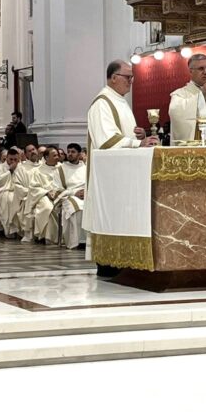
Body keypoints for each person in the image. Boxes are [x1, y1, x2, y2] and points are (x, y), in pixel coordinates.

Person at [83, 59, 159, 263]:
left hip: (123, 175)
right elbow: (106, 140)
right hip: (109, 179)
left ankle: (125, 262)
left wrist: (139, 136)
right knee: (111, 218)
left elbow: (122, 135)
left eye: (132, 77)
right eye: (128, 77)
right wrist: (138, 144)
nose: (131, 81)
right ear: (114, 78)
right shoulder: (102, 103)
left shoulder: (120, 101)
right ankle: (108, 264)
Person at [23, 146, 66, 245]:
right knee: (48, 208)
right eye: (54, 155)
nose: (57, 157)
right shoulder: (38, 171)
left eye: (57, 155)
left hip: (60, 194)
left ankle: (63, 237)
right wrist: (46, 192)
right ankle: (49, 237)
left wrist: (59, 192)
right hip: (44, 195)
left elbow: (67, 184)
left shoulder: (62, 169)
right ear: (46, 157)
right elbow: (33, 187)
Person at [58, 143, 87, 249]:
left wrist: (86, 192)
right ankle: (77, 241)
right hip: (69, 196)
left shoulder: (86, 168)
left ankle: (88, 241)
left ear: (79, 154)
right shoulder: (61, 169)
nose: (70, 154)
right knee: (78, 209)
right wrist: (74, 193)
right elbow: (57, 189)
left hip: (86, 195)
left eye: (73, 152)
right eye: (68, 151)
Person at [0, 148, 24, 238]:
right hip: (4, 191)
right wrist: (9, 170)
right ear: (6, 158)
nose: (13, 161)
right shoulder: (0, 167)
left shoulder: (21, 167)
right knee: (8, 200)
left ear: (19, 159)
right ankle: (9, 229)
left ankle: (19, 230)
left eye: (15, 159)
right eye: (11, 159)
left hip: (19, 191)